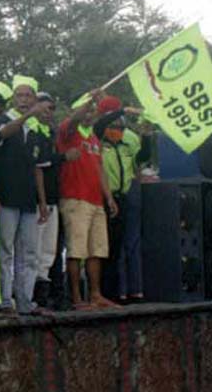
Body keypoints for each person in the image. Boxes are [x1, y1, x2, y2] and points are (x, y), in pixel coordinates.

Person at [0, 75, 50, 315]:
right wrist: (27, 115)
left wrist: (43, 202)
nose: (24, 100)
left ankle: (25, 299)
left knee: (29, 251)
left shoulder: (36, 130)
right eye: (20, 95)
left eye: (28, 95)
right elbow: (2, 135)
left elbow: (38, 168)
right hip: (6, 196)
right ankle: (5, 300)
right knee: (6, 250)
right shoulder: (5, 120)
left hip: (28, 199)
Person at [56, 91, 120, 309]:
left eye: (93, 110)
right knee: (76, 250)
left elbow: (100, 167)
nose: (90, 114)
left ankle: (95, 294)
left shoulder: (93, 137)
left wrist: (108, 197)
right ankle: (76, 298)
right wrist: (89, 101)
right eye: (87, 109)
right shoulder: (69, 130)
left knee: (97, 250)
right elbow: (73, 119)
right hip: (75, 197)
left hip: (95, 199)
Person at [94, 96, 149, 303]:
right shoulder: (97, 136)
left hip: (127, 194)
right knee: (108, 246)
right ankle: (114, 291)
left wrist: (147, 138)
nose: (117, 126)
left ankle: (134, 290)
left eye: (119, 122)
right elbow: (99, 127)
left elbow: (139, 161)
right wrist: (122, 110)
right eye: (113, 121)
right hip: (104, 195)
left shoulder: (130, 138)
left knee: (130, 242)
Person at [31, 92, 77, 310]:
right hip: (34, 199)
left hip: (52, 197)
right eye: (45, 108)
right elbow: (40, 164)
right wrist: (63, 157)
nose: (49, 113)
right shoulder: (31, 130)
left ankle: (49, 294)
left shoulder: (50, 133)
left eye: (51, 109)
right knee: (33, 249)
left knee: (51, 250)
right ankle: (32, 295)